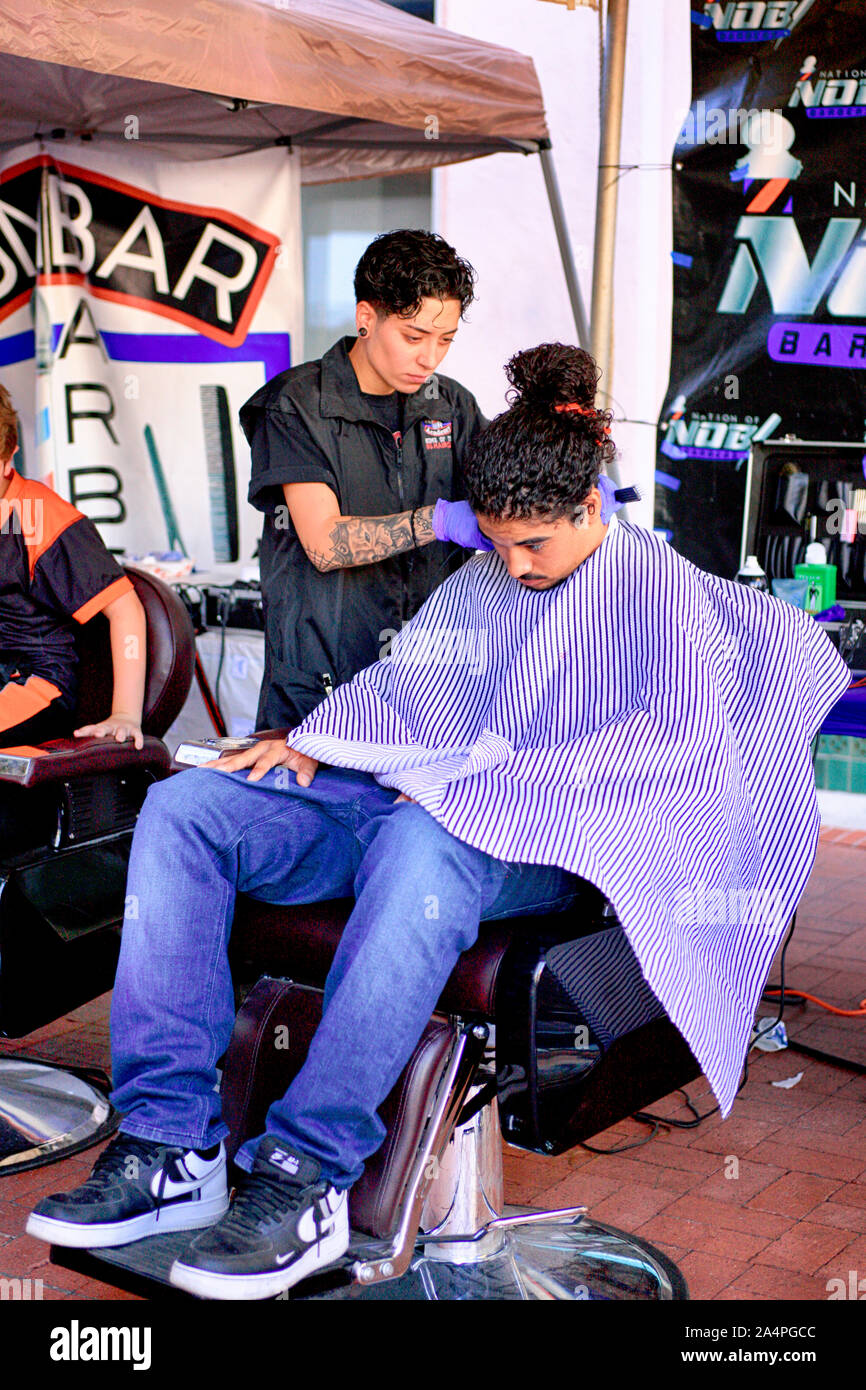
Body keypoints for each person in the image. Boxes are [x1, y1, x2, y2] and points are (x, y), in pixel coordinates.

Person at [28, 345, 848, 1302]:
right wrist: (316, 739)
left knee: (430, 837)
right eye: (497, 543)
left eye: (535, 544)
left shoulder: (661, 596)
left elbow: (668, 756)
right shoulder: (491, 579)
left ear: (593, 508)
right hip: (407, 797)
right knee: (187, 808)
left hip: (541, 839)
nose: (514, 565)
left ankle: (307, 1171)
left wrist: (473, 788)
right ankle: (172, 1143)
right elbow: (409, 688)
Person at [240, 228, 489, 730]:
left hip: (432, 684)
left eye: (446, 340)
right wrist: (437, 521)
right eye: (414, 337)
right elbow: (325, 544)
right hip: (321, 686)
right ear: (365, 319)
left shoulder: (453, 405)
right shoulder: (295, 405)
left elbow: (502, 497)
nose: (430, 358)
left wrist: (563, 491)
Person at [0, 383, 146, 750]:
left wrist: (126, 714)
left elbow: (126, 608)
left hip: (35, 680)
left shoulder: (38, 516)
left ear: (9, 459)